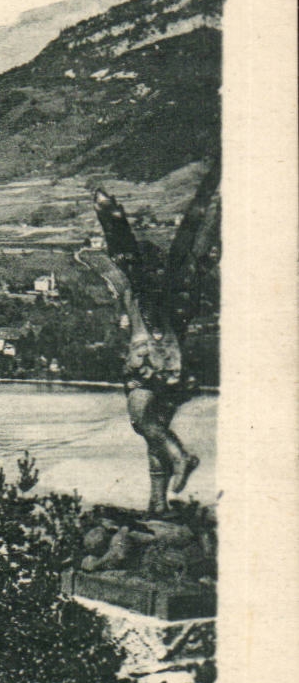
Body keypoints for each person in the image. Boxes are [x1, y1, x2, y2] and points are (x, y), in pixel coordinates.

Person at [88, 160, 220, 514]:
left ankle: (181, 458)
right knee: (156, 430)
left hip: (145, 364)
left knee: (142, 422)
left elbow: (124, 250)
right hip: (176, 368)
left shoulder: (141, 293)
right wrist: (213, 202)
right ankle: (158, 502)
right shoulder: (185, 289)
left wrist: (107, 213)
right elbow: (198, 238)